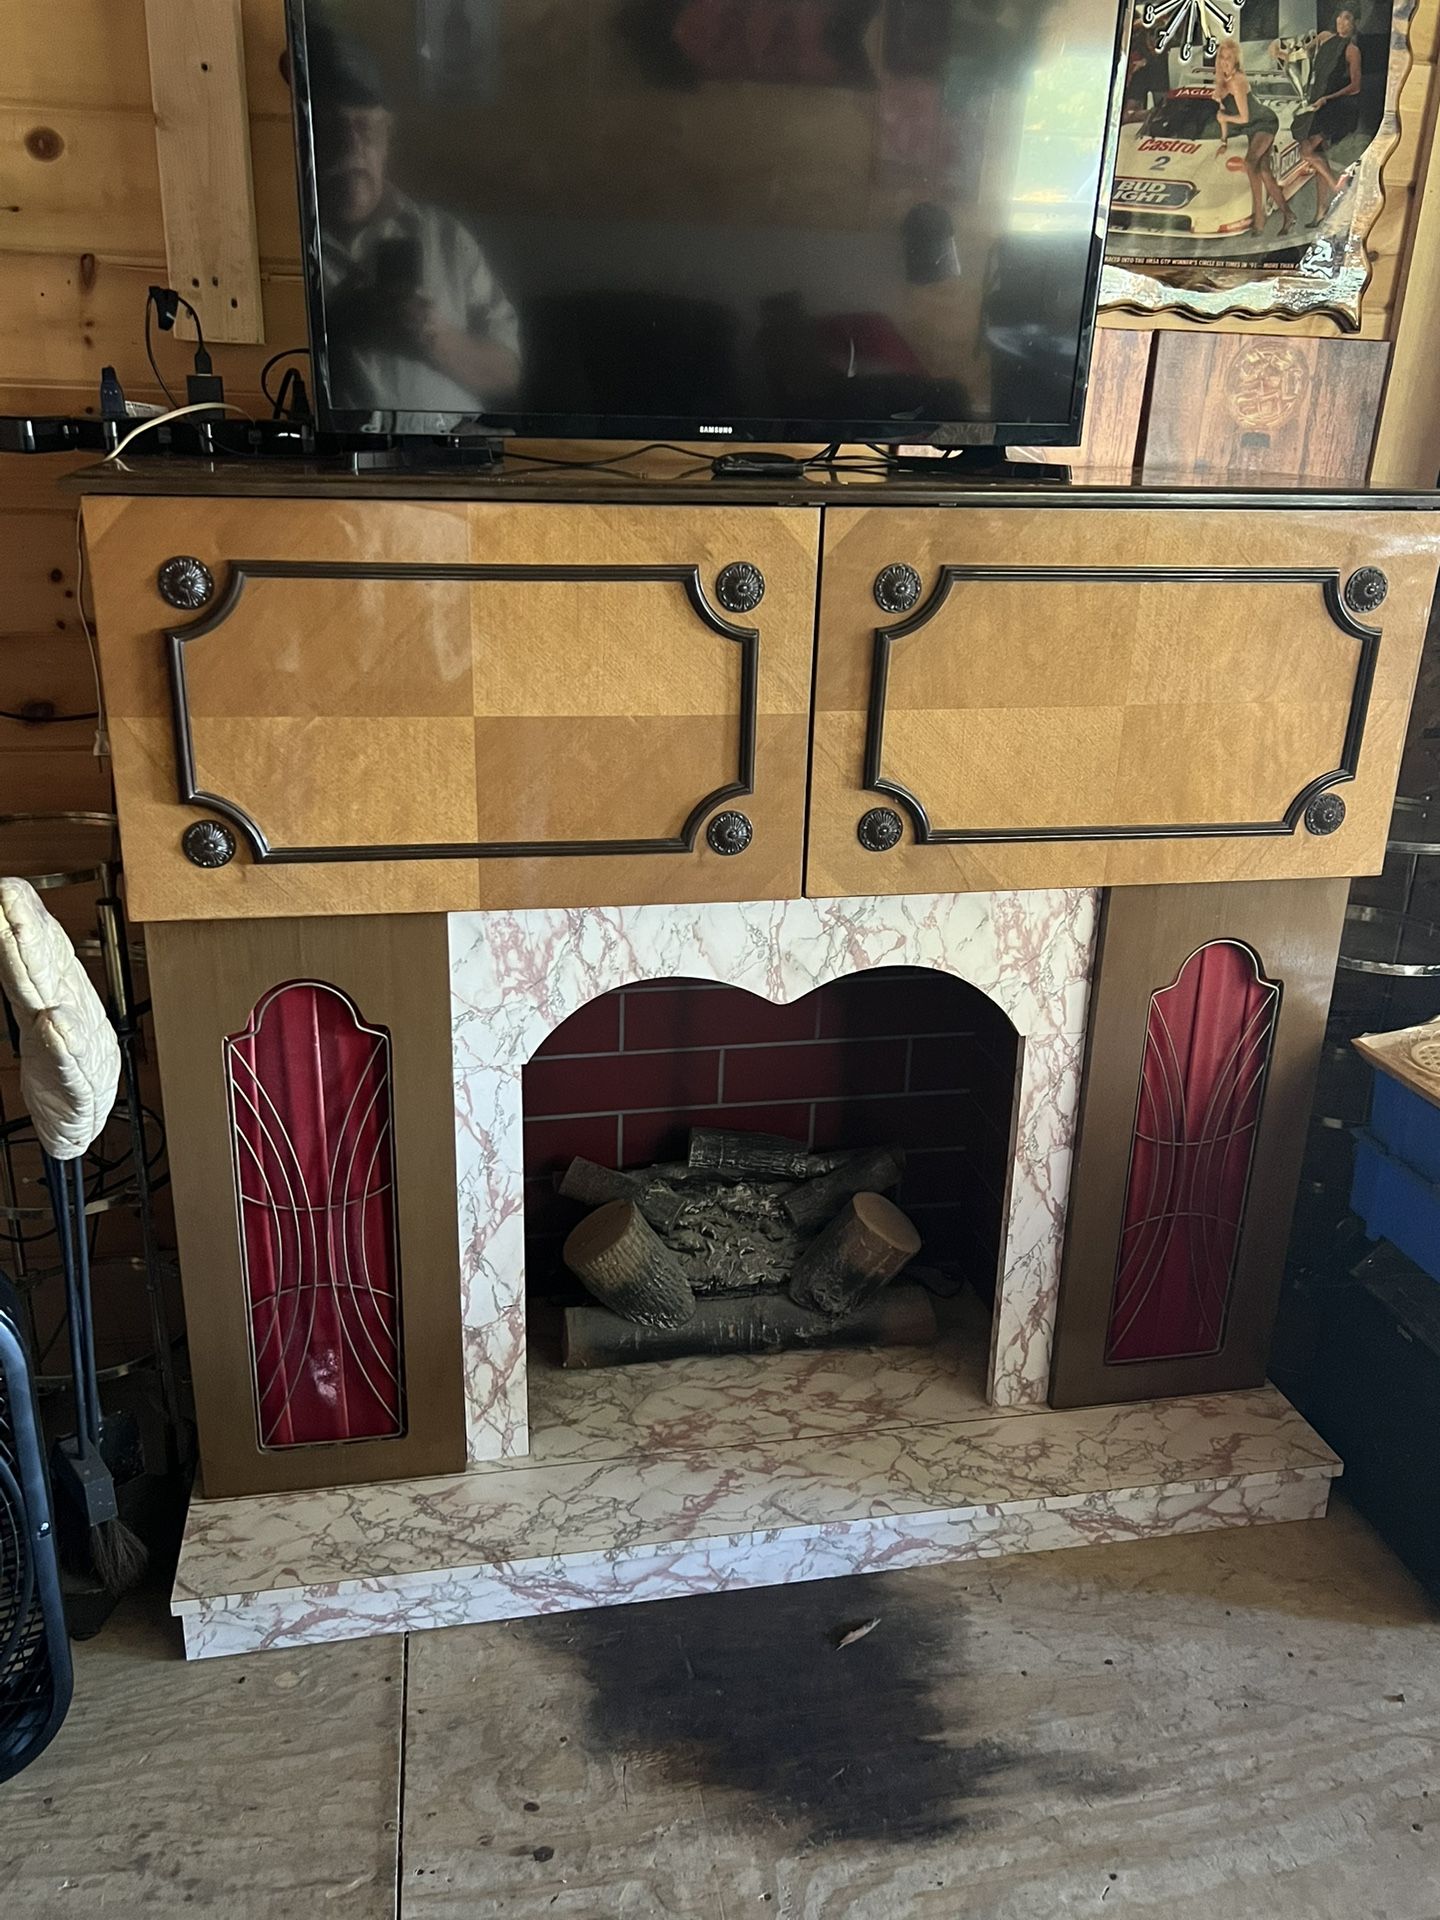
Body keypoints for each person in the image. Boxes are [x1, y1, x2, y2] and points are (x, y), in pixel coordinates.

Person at [309, 27, 520, 423]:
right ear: (308, 137)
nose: (351, 147)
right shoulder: (287, 248)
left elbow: (508, 373)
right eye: (332, 128)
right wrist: (335, 329)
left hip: (455, 465)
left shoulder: (447, 239)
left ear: (387, 137)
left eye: (365, 128)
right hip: (335, 470)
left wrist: (434, 336)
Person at [1212, 38, 1293, 238]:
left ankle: (1259, 219)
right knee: (1264, 172)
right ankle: (1288, 215)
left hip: (1264, 122)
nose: (1225, 62)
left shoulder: (1237, 81)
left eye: (1229, 58)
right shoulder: (1221, 83)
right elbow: (1220, 116)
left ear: (1236, 61)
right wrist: (1223, 141)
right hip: (1251, 129)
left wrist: (1224, 117)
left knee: (1250, 163)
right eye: (1222, 58)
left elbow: (1243, 117)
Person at [1295, 8, 1364, 221]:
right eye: (1340, 17)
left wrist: (1328, 98)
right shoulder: (1325, 38)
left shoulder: (1352, 50)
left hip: (1337, 108)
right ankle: (1321, 211)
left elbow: (1355, 86)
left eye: (1348, 18)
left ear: (1354, 23)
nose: (1342, 22)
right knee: (1319, 157)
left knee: (1307, 152)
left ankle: (1338, 189)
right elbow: (1299, 53)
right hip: (1317, 104)